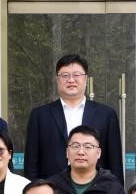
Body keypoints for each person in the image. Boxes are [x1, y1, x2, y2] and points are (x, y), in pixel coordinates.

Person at [23, 53, 124, 182]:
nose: (71, 80)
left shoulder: (106, 114)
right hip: (52, 189)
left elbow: (115, 163)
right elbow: (31, 163)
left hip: (97, 189)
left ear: (85, 78)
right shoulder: (40, 115)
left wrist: (116, 191)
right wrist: (33, 190)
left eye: (76, 75)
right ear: (57, 79)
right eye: (65, 75)